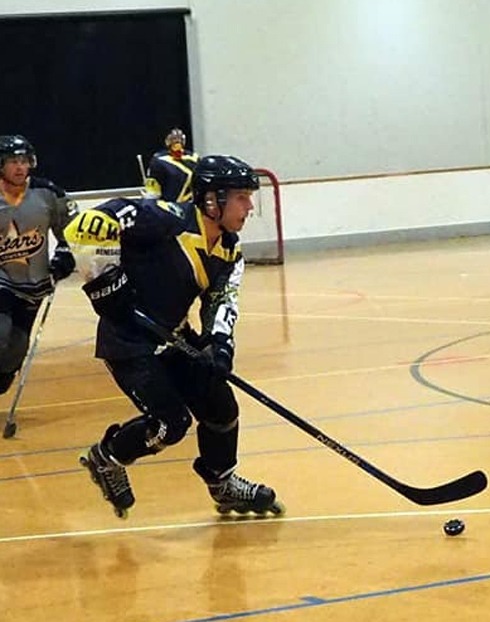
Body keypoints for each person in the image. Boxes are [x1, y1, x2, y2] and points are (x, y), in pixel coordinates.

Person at [64, 154, 283, 518]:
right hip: (129, 342)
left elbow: (222, 300)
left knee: (221, 407)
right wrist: (105, 280)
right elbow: (86, 225)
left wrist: (219, 345)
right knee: (171, 424)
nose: (249, 207)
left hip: (174, 337)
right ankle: (108, 457)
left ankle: (222, 483)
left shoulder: (229, 250)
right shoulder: (166, 219)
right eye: (242, 197)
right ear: (212, 200)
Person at [0, 135, 77, 395]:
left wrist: (65, 255)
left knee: (15, 350)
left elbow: (73, 230)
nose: (20, 167)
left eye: (24, 161)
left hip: (35, 284)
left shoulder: (49, 193)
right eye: (13, 162)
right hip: (2, 280)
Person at [144, 127, 199, 202]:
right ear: (167, 141)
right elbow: (153, 190)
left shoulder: (194, 157)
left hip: (192, 204)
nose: (177, 142)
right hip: (169, 205)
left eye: (180, 139)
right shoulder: (159, 161)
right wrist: (150, 201)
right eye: (174, 139)